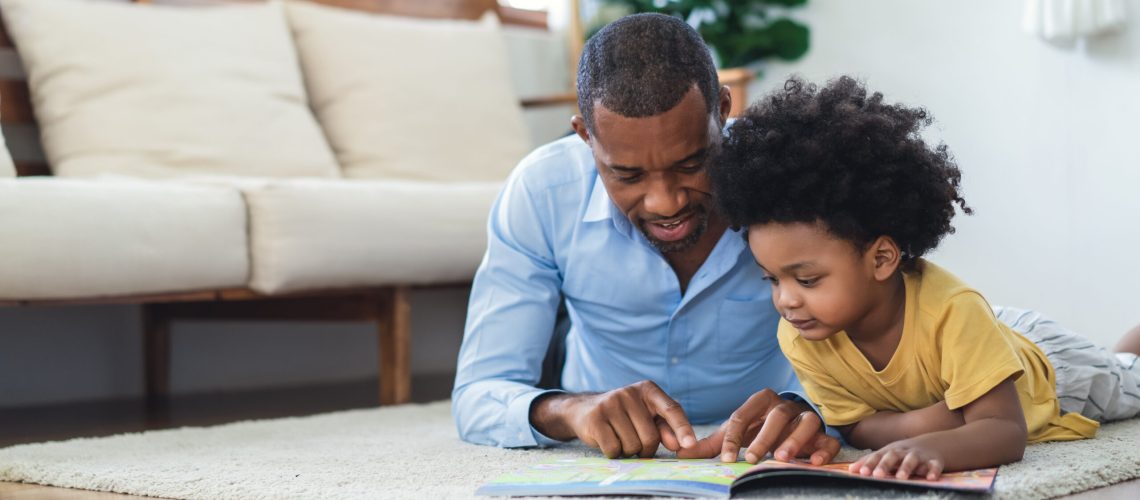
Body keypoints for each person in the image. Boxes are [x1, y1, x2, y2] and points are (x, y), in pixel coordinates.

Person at [451, 14, 839, 466]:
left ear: (723, 111)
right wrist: (571, 409)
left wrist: (810, 406)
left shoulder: (795, 182)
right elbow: (479, 392)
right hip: (589, 393)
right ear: (585, 137)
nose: (665, 203)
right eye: (628, 174)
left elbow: (880, 337)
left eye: (691, 164)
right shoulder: (541, 192)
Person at [708, 75, 1140, 479]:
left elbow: (1006, 431)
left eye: (807, 280)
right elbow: (856, 427)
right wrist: (932, 422)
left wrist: (938, 446)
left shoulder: (952, 310)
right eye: (772, 280)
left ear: (881, 259)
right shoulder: (801, 334)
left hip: (1054, 370)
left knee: (1129, 378)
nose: (786, 301)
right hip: (983, 342)